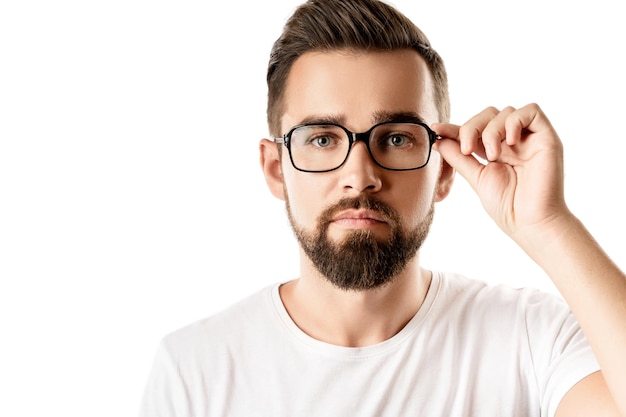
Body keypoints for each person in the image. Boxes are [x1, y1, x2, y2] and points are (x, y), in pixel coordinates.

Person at [139, 0, 626, 415]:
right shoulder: (194, 369)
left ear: (445, 169)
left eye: (395, 138)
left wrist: (549, 225)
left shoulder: (529, 338)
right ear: (275, 169)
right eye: (323, 138)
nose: (360, 175)